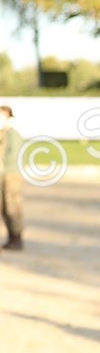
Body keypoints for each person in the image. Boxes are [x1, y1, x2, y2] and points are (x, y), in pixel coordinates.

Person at [0, 105, 24, 251]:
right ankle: (11, 237)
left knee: (12, 206)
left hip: (10, 174)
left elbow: (13, 155)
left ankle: (16, 237)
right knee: (4, 206)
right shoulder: (2, 133)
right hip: (2, 174)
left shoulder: (12, 134)